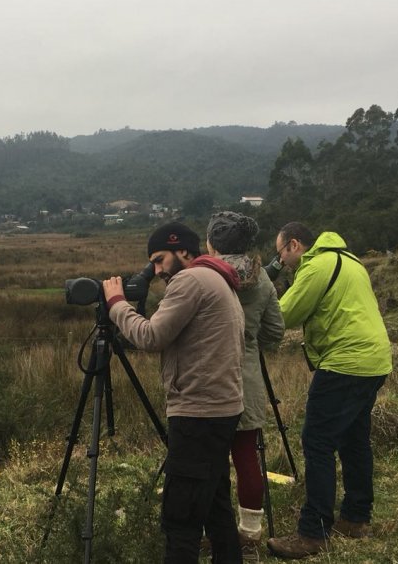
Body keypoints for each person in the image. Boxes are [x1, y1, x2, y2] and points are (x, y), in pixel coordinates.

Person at [103, 221, 246, 564]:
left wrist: (117, 304)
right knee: (215, 506)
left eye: (159, 259)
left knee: (180, 518)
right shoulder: (218, 278)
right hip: (221, 407)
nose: (155, 270)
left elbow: (152, 337)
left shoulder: (190, 280)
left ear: (183, 250)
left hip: (198, 411)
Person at [265, 222, 393, 560]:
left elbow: (283, 315)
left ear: (294, 245)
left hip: (345, 361)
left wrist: (255, 304)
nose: (282, 262)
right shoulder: (350, 260)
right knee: (353, 440)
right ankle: (355, 517)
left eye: (281, 254)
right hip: (375, 359)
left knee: (317, 441)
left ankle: (313, 533)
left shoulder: (318, 266)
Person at [206, 211, 285, 560]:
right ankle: (250, 537)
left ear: (212, 242)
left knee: (208, 460)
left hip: (207, 379)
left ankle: (213, 531)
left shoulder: (204, 275)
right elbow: (275, 333)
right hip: (246, 377)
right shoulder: (263, 280)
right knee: (246, 458)